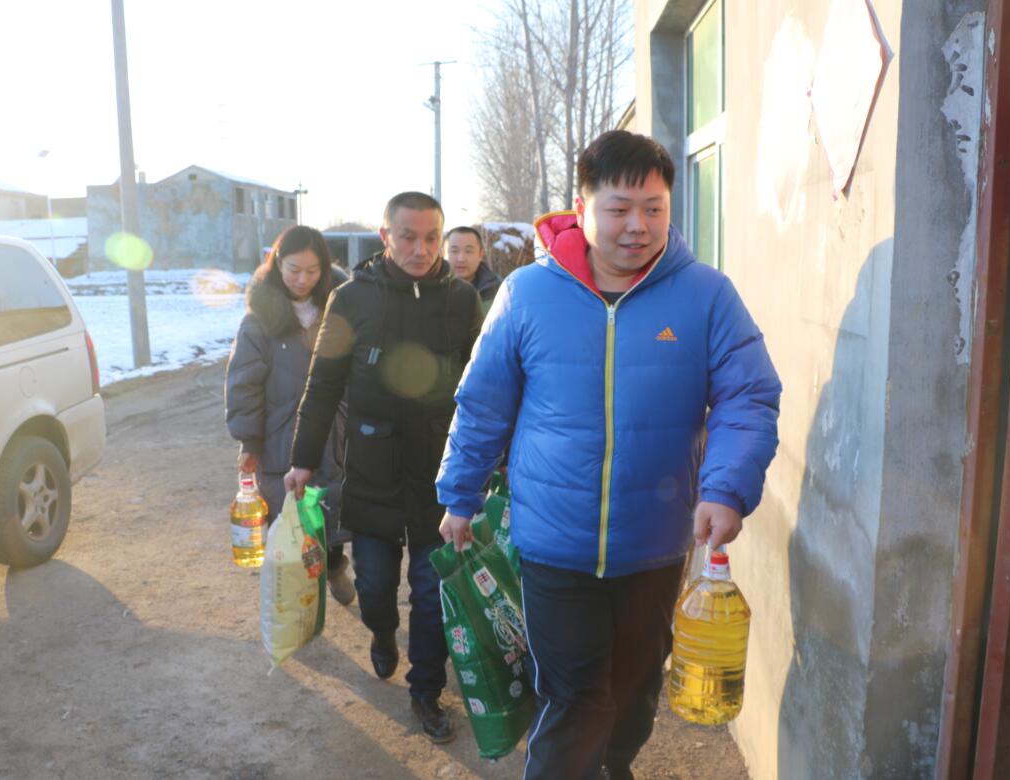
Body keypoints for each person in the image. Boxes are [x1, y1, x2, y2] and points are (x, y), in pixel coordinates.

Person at [435, 130, 781, 778]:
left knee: (634, 697)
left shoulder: (706, 296)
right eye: (619, 208)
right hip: (553, 544)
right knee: (575, 700)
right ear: (581, 206)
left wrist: (724, 488)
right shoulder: (527, 295)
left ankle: (615, 765)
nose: (637, 226)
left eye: (653, 208)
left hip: (654, 545)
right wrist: (460, 493)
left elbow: (748, 396)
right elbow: (483, 403)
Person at [285, 192, 483, 743]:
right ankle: (381, 632)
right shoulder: (352, 299)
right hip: (372, 471)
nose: (421, 249)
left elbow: (486, 389)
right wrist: (303, 460)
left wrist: (491, 462)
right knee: (374, 585)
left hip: (438, 477)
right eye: (407, 237)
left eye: (431, 238)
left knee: (431, 591)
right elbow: (323, 385)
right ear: (385, 236)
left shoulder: (463, 301)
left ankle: (426, 691)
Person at [225, 226, 355, 606]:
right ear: (277, 264)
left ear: (325, 269)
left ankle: (334, 566)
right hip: (281, 438)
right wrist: (250, 442)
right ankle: (300, 605)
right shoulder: (258, 322)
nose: (302, 279)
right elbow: (244, 384)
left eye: (313, 271)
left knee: (331, 515)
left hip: (335, 433)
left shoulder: (343, 311)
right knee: (290, 522)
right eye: (294, 270)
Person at [445, 225, 501, 310]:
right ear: (442, 253)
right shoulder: (428, 290)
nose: (461, 259)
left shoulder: (497, 292)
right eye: (454, 251)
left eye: (468, 251)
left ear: (480, 255)